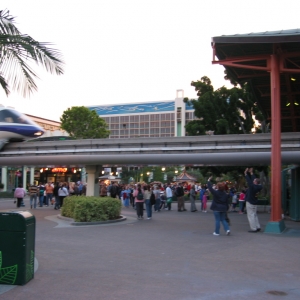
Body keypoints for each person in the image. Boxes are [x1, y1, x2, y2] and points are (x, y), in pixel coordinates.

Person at [244, 168, 263, 232]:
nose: (253, 181)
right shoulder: (259, 187)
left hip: (250, 202)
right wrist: (251, 173)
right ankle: (257, 226)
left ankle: (253, 228)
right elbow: (253, 180)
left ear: (255, 182)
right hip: (255, 202)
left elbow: (249, 181)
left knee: (250, 215)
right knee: (255, 215)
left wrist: (246, 174)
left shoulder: (252, 187)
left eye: (254, 180)